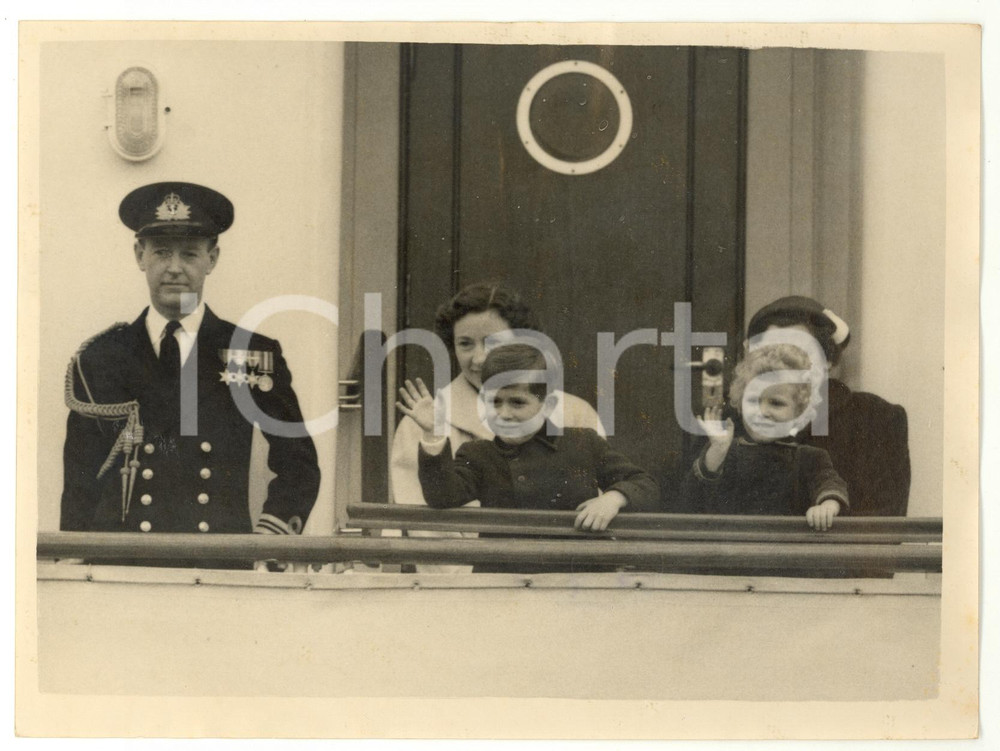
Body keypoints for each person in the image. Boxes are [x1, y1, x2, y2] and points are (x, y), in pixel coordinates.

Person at [60, 182, 320, 561]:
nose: (174, 268)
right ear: (140, 255)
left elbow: (298, 463)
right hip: (119, 567)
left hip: (217, 566)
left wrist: (268, 540)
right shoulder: (101, 358)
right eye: (162, 252)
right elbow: (80, 478)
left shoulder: (250, 353)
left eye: (190, 254)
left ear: (212, 259)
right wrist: (74, 562)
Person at [389, 282, 608, 573]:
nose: (479, 358)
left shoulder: (575, 413)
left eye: (493, 342)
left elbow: (598, 505)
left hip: (564, 576)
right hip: (467, 581)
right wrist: (469, 583)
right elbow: (424, 523)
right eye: (465, 343)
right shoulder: (423, 422)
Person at [396, 344, 660, 572]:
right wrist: (432, 433)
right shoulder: (477, 454)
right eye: (494, 402)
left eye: (517, 402)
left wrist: (613, 499)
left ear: (548, 405)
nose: (503, 413)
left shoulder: (583, 443)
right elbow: (442, 496)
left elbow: (644, 484)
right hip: (503, 584)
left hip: (578, 580)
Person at [746, 296, 910, 517]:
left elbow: (884, 519)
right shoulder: (735, 419)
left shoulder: (875, 418)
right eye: (770, 353)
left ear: (828, 360)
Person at [682, 343, 849, 529]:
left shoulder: (810, 458)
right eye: (753, 401)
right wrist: (718, 451)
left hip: (786, 543)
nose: (762, 412)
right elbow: (691, 499)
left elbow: (830, 485)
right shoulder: (725, 451)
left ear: (799, 412)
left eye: (776, 403)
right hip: (732, 542)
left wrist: (827, 507)